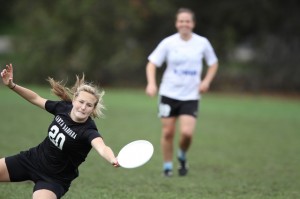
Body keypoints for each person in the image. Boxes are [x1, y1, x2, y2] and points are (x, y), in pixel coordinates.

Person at [0, 63, 119, 199]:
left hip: (53, 179)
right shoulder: (63, 108)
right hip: (31, 160)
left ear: (93, 108)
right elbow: (36, 99)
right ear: (74, 100)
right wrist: (12, 85)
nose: (83, 107)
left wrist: (112, 159)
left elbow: (102, 148)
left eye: (89, 105)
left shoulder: (88, 131)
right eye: (81, 102)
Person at [145, 8, 218, 177]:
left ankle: (182, 155)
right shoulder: (168, 43)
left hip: (191, 96)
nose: (184, 24)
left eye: (187, 21)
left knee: (186, 133)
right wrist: (151, 84)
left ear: (193, 24)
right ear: (176, 23)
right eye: (181, 21)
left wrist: (206, 81)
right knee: (168, 132)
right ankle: (168, 167)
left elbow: (213, 63)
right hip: (168, 94)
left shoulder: (202, 43)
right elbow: (152, 63)